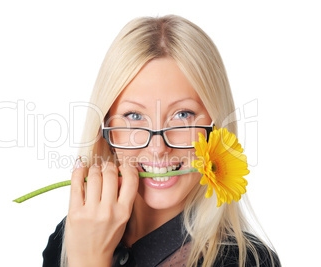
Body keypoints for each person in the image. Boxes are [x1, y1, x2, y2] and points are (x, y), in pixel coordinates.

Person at [42, 15, 280, 267]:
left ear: (216, 126)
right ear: (106, 128)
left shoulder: (247, 261)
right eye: (134, 116)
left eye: (182, 115)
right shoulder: (72, 233)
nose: (158, 148)